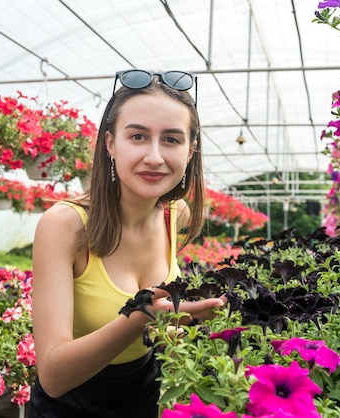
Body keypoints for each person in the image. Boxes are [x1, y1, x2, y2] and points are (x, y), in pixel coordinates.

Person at [29, 69, 225, 418]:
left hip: (147, 397)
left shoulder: (173, 214)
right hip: (73, 406)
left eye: (172, 139)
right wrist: (139, 318)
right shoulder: (65, 226)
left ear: (191, 149)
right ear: (110, 143)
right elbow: (54, 376)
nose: (154, 156)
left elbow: (165, 325)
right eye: (137, 136)